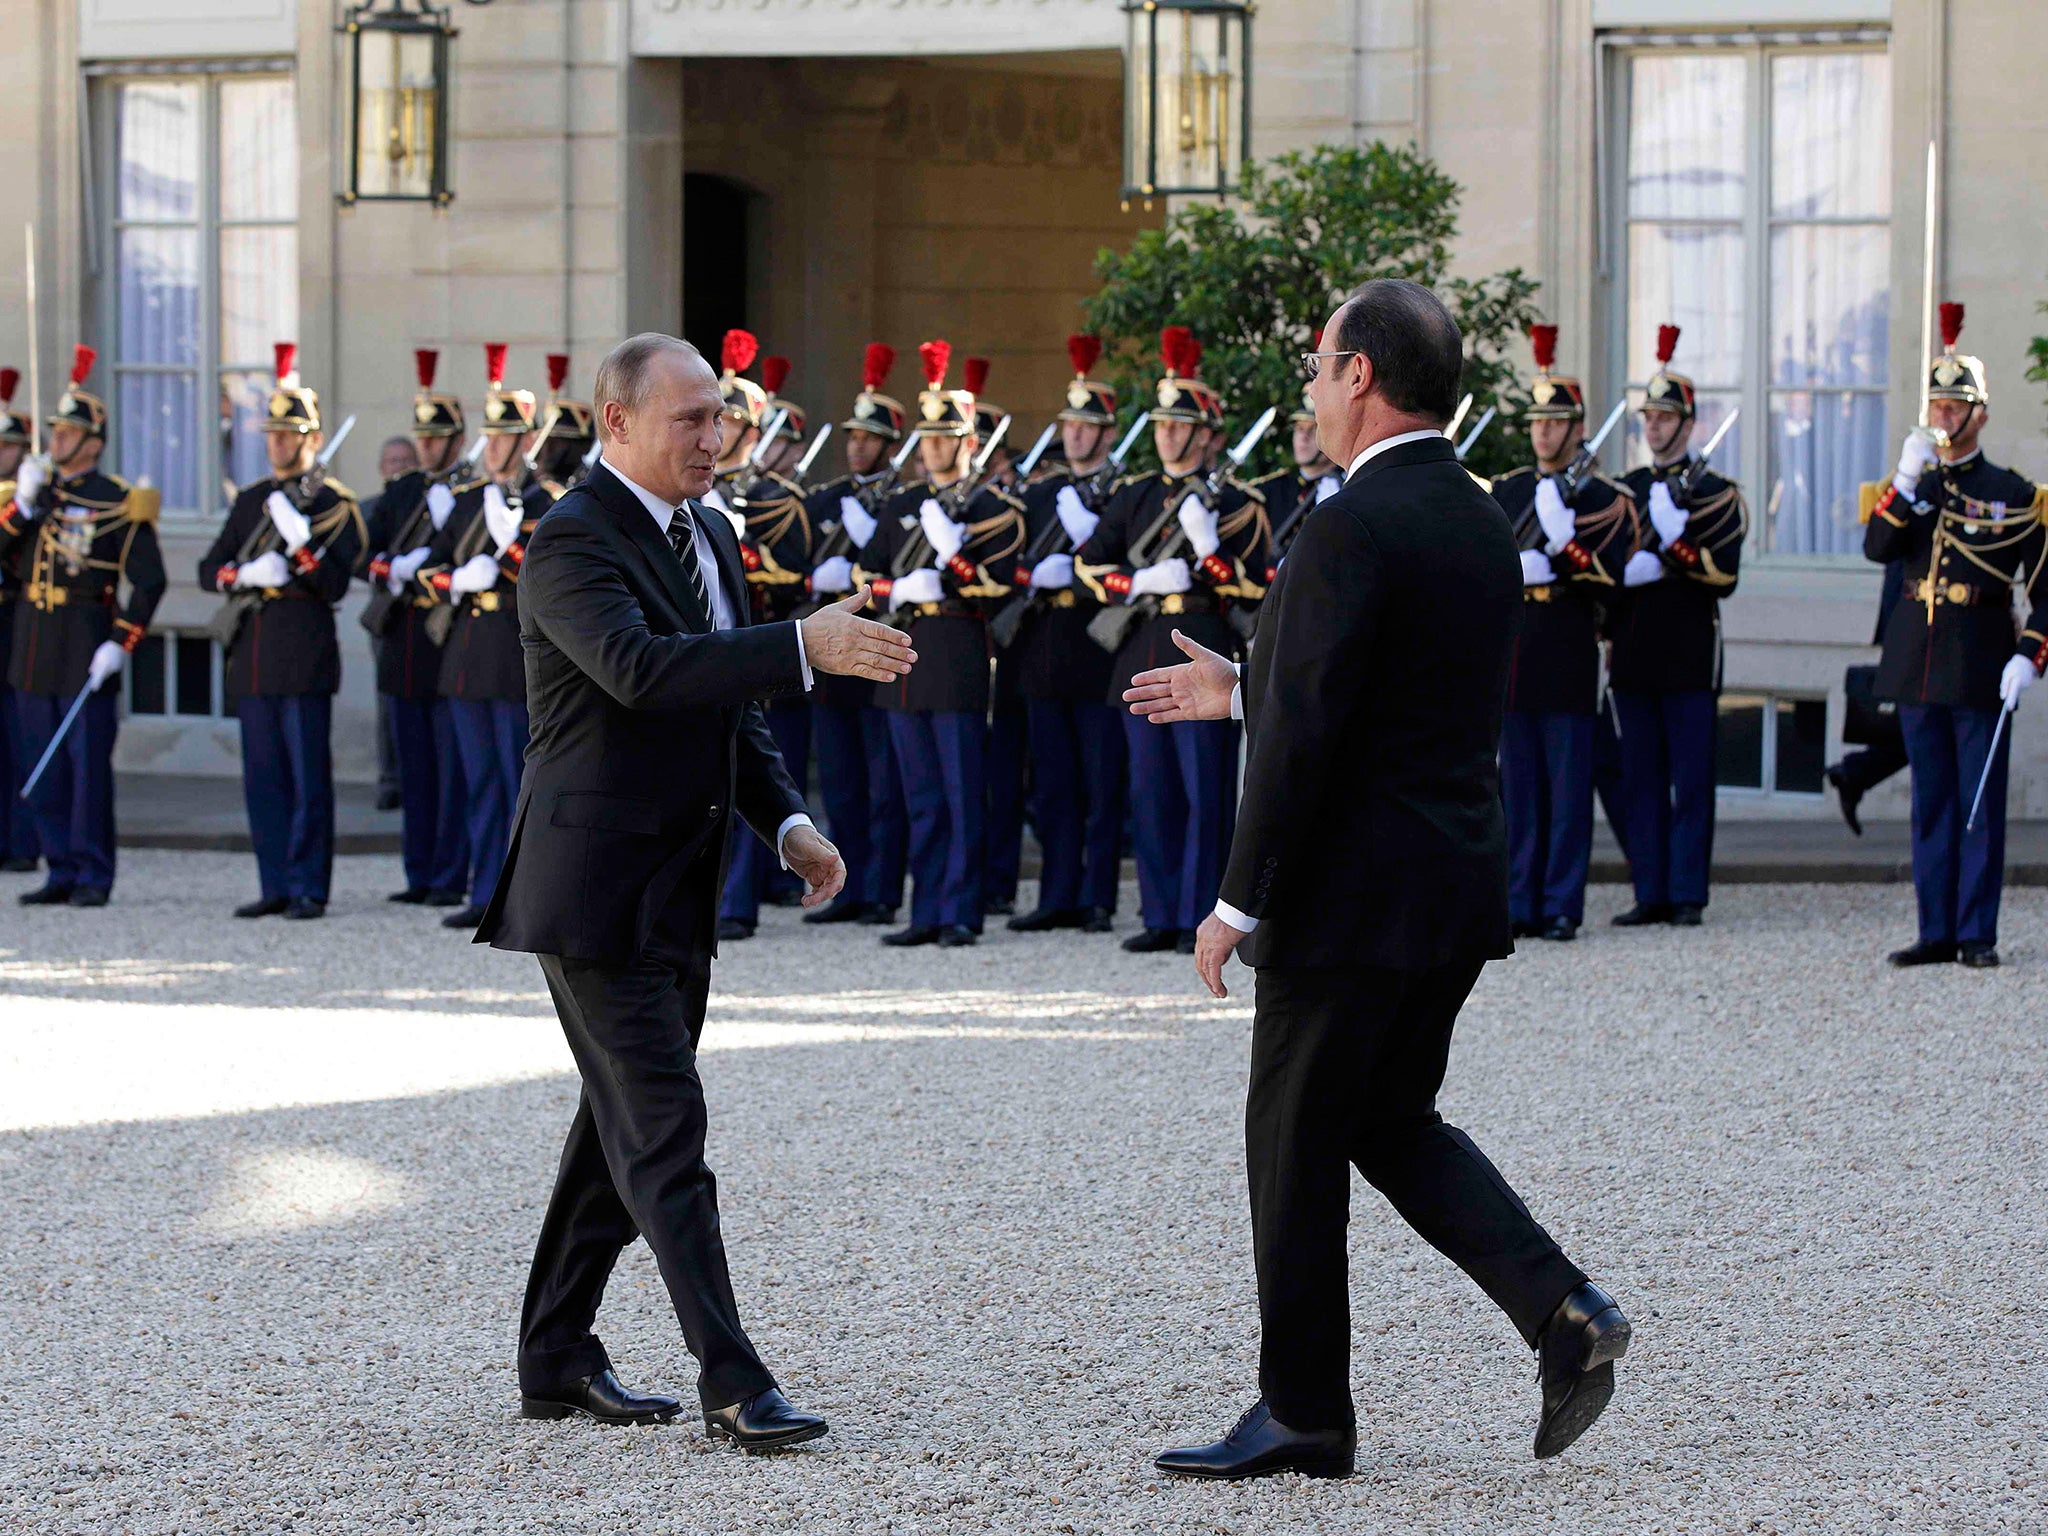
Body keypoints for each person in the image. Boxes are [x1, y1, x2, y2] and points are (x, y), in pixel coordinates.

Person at [1125, 279, 1629, 1482]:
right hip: (1447, 883)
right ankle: (1562, 1311)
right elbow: (1368, 688)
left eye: (1317, 363)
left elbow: (1310, 731)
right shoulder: (1470, 514)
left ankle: (1303, 1412)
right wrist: (1244, 687)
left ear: (1359, 376)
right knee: (1387, 1121)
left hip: (1348, 899)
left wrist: (1234, 901)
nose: (1307, 383)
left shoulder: (1350, 520)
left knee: (1291, 1143)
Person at [477, 330, 914, 1446]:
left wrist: (792, 823)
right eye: (690, 420)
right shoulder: (569, 540)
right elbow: (640, 672)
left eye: (720, 417)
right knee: (664, 1128)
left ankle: (553, 1354)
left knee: (612, 1137)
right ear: (616, 422)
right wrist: (799, 644)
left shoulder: (709, 530)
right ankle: (734, 1380)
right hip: (591, 889)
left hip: (681, 882)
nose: (715, 439)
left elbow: (729, 709)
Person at [1863, 302, 2048, 969]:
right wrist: (1907, 479)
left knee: (1978, 806)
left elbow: (2046, 587)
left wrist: (2031, 654)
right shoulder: (1912, 485)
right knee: (1931, 804)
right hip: (1919, 658)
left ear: (1979, 414)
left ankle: (1976, 934)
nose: (1942, 416)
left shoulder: (2013, 493)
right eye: (1936, 405)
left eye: (1954, 407)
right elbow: (1878, 548)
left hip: (1979, 659)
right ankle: (1934, 929)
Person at [1076, 327, 1268, 954]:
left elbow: (1257, 584)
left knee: (1205, 792)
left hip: (1205, 650)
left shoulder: (1237, 501)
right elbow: (1088, 563)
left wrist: (1209, 550)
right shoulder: (1134, 496)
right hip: (1140, 652)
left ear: (1204, 434)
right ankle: (1160, 913)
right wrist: (1137, 579)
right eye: (1159, 423)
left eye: (1177, 425)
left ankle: (1204, 913)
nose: (1165, 433)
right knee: (1150, 792)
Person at [859, 340, 1025, 948]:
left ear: (967, 443)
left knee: (960, 793)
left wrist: (952, 554)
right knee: (920, 797)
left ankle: (961, 910)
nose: (931, 448)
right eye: (926, 439)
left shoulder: (991, 508)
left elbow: (999, 589)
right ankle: (925, 909)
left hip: (957, 650)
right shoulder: (904, 503)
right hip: (905, 652)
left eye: (943, 438)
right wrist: (899, 583)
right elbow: (864, 575)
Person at [197, 343, 367, 919]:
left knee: (306, 780)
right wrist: (244, 571)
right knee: (264, 780)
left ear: (310, 439)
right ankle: (274, 881)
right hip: (252, 655)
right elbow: (208, 569)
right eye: (270, 432)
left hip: (303, 651)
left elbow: (338, 584)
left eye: (287, 433)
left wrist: (300, 544)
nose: (275, 442)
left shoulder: (333, 505)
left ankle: (309, 887)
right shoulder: (250, 501)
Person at [1484, 325, 1636, 941]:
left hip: (1570, 645)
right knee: (1518, 786)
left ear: (1578, 429)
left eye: (1556, 422)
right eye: (1537, 422)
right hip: (1518, 650)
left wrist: (1566, 546)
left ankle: (1562, 903)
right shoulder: (1511, 489)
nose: (1543, 432)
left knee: (1569, 786)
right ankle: (1520, 899)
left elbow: (1610, 583)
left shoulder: (1604, 495)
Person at [0, 345, 166, 907]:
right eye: (54, 430)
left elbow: (149, 581)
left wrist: (122, 642)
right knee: (39, 765)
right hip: (31, 641)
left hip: (83, 638)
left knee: (86, 769)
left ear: (93, 441)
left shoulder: (116, 501)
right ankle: (59, 868)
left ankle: (94, 872)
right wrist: (21, 507)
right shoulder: (33, 493)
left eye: (68, 433)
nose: (56, 439)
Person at [1611, 325, 1746, 927]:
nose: (1655, 427)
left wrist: (1678, 543)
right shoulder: (1623, 491)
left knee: (1691, 778)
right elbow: (1605, 565)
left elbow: (1725, 576)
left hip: (1690, 646)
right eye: (1650, 417)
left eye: (1667, 418)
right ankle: (1651, 890)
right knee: (1641, 778)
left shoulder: (1718, 493)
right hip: (1635, 648)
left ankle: (1688, 892)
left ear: (1689, 425)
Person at [416, 344, 554, 931]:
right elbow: (429, 569)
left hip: (515, 657)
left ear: (527, 442)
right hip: (468, 657)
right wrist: (457, 580)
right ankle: (482, 889)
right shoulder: (471, 501)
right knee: (479, 781)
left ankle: (523, 892)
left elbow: (548, 571)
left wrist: (503, 557)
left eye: (505, 438)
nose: (493, 447)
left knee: (518, 781)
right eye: (490, 437)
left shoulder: (546, 501)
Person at [1003, 333, 1125, 933]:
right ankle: (1055, 897)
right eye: (1069, 426)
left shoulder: (1122, 493)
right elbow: (1013, 562)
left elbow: (1121, 560)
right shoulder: (1041, 491)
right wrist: (1033, 574)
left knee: (1102, 785)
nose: (1075, 435)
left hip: (1101, 650)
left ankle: (1097, 898)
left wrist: (1080, 563)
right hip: (1044, 650)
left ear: (1106, 433)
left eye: (1086, 427)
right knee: (1051, 786)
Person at [799, 343, 910, 927]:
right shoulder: (826, 497)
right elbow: (802, 561)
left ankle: (883, 891)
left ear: (891, 445)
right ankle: (848, 884)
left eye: (868, 438)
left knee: (883, 779)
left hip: (878, 644)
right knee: (841, 780)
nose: (856, 445)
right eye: (852, 436)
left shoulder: (900, 501)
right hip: (829, 651)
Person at [362, 351, 470, 908]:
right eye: (422, 439)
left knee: (453, 772)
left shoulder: (470, 492)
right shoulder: (402, 493)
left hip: (447, 645)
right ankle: (419, 871)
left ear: (457, 440)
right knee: (414, 768)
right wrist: (393, 568)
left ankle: (451, 874)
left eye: (438, 439)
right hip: (404, 643)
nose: (427, 448)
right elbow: (366, 553)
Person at [719, 350, 817, 940]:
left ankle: (738, 902)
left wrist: (745, 544)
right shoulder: (689, 492)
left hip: (758, 651)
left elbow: (793, 575)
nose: (719, 431)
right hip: (703, 648)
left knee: (751, 775)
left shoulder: (773, 498)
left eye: (730, 421)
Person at [1825, 559, 1910, 835]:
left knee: (1923, 729)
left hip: (1912, 617)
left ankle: (1855, 773)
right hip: (1911, 617)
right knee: (1923, 728)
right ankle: (1855, 773)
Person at [0, 367, 42, 872]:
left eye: (8, 447)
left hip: (19, 621)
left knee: (22, 736)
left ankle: (23, 840)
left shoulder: (32, 498)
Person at [1253, 380, 1343, 578]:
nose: (1304, 437)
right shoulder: (1270, 491)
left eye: (1314, 428)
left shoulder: (1348, 487)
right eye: (1299, 428)